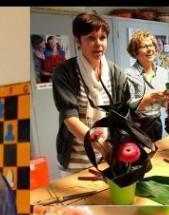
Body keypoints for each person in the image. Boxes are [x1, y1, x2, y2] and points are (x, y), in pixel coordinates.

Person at [52, 12, 132, 172]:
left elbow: (123, 113)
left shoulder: (115, 73)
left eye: (102, 37)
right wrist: (100, 146)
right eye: (90, 38)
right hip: (77, 161)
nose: (98, 44)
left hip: (107, 157)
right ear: (78, 40)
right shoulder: (65, 72)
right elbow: (70, 119)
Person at [125, 30, 169, 141]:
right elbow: (130, 108)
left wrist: (167, 99)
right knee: (141, 157)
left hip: (157, 122)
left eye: (151, 45)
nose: (150, 49)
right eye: (144, 46)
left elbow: (164, 105)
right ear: (135, 51)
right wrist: (151, 96)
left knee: (156, 155)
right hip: (138, 125)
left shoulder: (162, 72)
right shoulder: (128, 73)